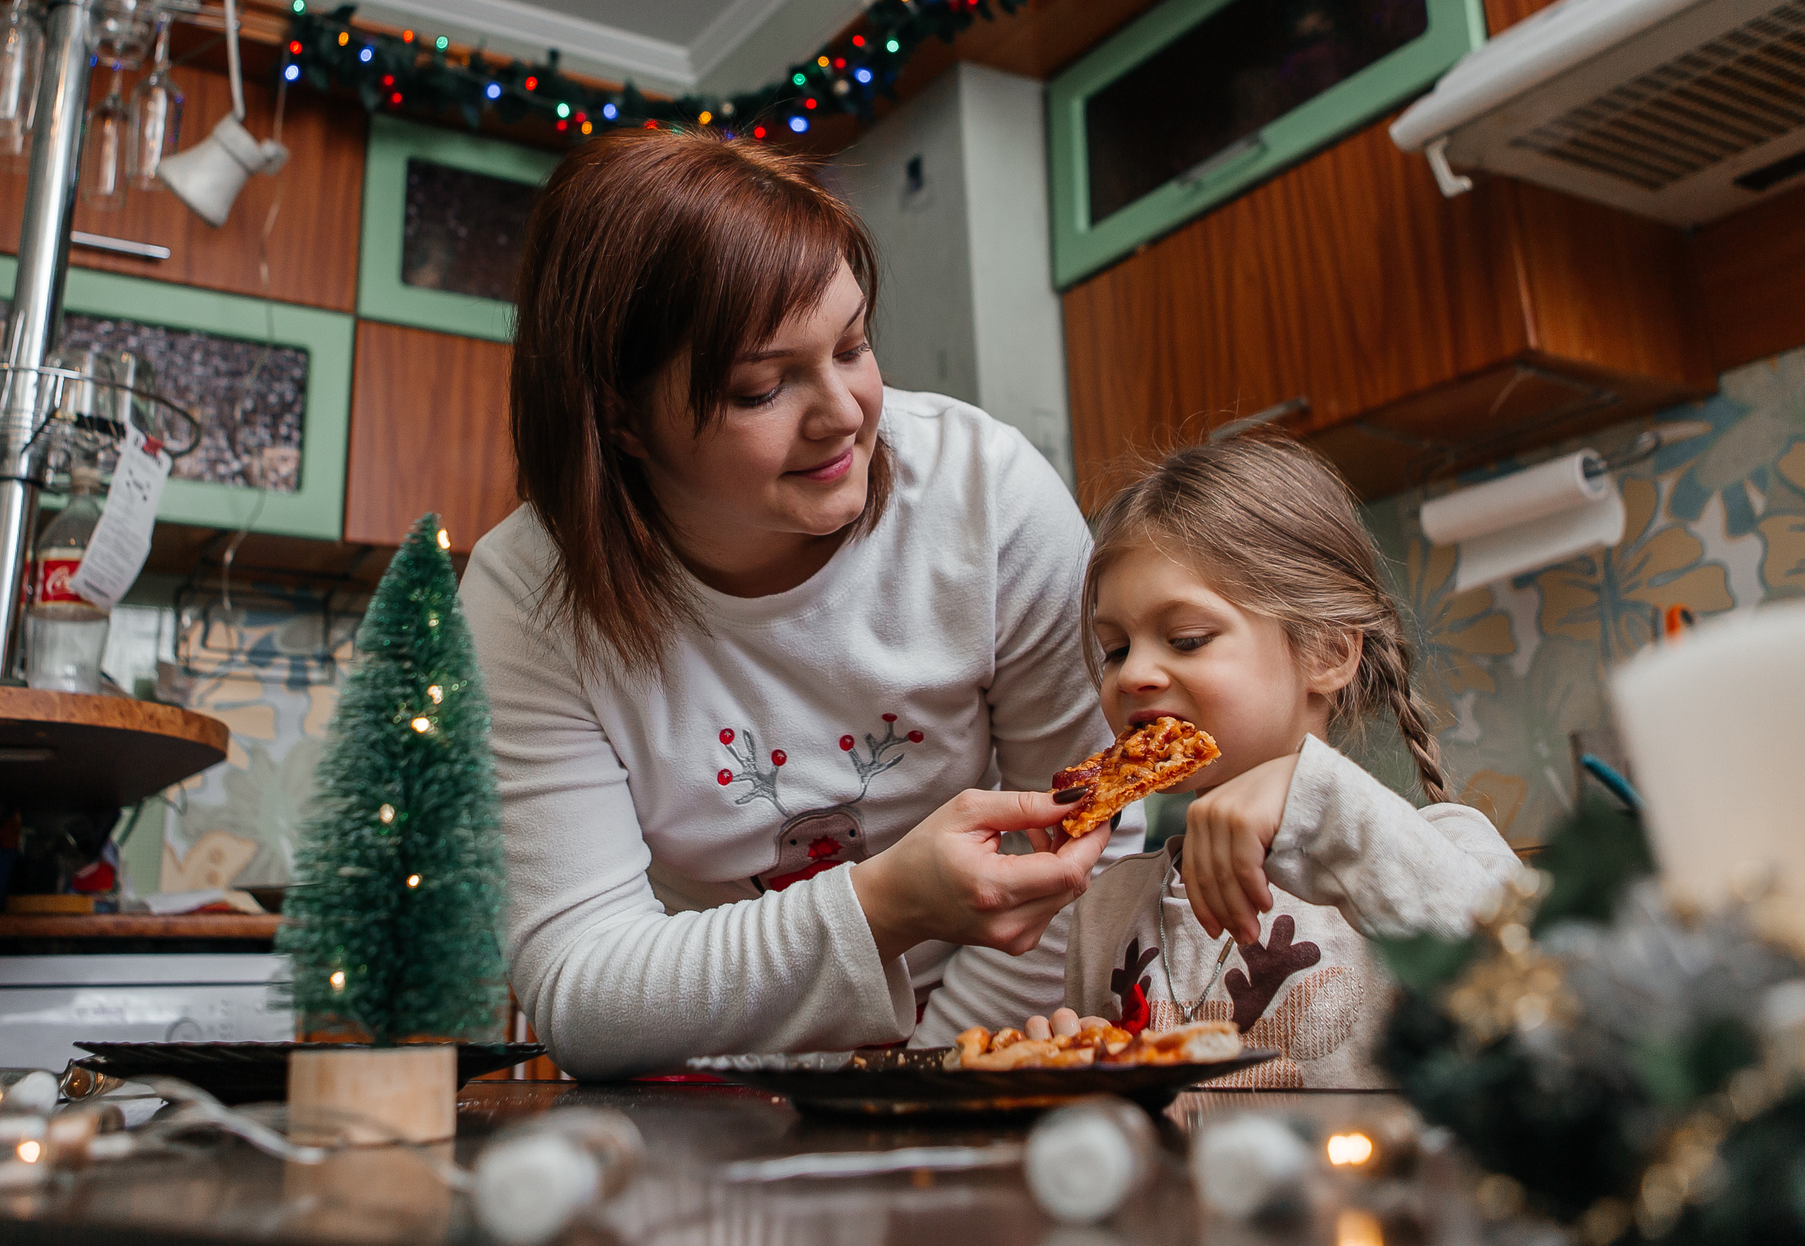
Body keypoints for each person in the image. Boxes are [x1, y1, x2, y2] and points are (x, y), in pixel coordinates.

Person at [461, 132, 1119, 1080]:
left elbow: (1086, 844)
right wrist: (884, 901)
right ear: (620, 417)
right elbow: (583, 986)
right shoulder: (530, 595)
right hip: (700, 1080)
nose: (845, 412)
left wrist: (922, 1081)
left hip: (984, 1053)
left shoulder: (989, 494)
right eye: (762, 387)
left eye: (854, 345)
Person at [1010, 429, 1517, 1087]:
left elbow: (1541, 1001)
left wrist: (1310, 798)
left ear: (1328, 652)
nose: (1134, 673)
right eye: (1114, 648)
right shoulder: (1109, 907)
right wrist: (1076, 1072)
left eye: (1186, 638)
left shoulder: (1435, 852)